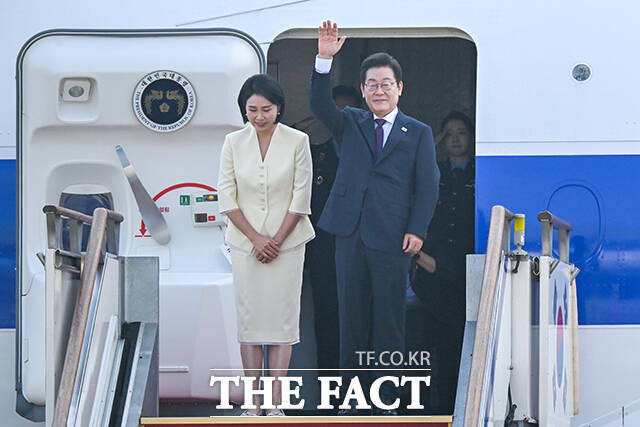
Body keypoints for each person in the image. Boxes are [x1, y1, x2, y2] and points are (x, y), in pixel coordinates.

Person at [310, 21, 440, 415]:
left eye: (386, 84)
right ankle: (352, 402)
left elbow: (428, 185)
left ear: (399, 88)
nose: (379, 90)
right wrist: (324, 60)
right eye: (372, 85)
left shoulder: (418, 132)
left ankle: (387, 401)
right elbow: (320, 105)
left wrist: (417, 230)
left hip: (393, 237)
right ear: (363, 90)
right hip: (349, 233)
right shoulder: (350, 121)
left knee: (389, 321)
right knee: (350, 320)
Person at [217, 74, 315, 416]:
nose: (259, 116)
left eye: (266, 109)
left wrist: (276, 240)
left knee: (282, 325)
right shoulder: (232, 142)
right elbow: (226, 196)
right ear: (244, 109)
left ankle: (275, 405)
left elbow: (301, 196)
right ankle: (252, 404)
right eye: (252, 110)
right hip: (246, 246)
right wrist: (256, 239)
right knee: (250, 324)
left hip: (288, 245)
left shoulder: (298, 140)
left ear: (279, 108)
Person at [293, 85, 361, 379]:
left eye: (348, 112)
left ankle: (363, 392)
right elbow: (279, 144)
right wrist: (310, 121)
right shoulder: (314, 154)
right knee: (327, 322)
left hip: (361, 252)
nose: (340, 118)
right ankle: (330, 393)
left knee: (361, 322)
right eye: (335, 112)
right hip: (323, 254)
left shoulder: (370, 154)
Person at [411, 110, 475, 414]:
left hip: (466, 272)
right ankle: (421, 413)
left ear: (471, 137)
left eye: (461, 132)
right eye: (449, 133)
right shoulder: (432, 172)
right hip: (429, 269)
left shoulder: (482, 172)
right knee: (423, 347)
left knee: (456, 349)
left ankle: (454, 411)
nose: (456, 139)